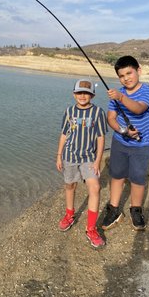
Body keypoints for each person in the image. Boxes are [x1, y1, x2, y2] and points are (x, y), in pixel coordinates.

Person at [101, 55, 149, 232]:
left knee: (138, 178)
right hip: (120, 142)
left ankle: (136, 209)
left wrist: (121, 98)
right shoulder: (116, 94)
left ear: (138, 71)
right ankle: (114, 209)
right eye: (122, 76)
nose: (126, 78)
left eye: (129, 73)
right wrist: (123, 130)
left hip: (142, 144)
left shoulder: (148, 90)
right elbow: (111, 118)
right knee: (116, 175)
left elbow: (139, 108)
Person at [56, 78, 108, 248]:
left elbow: (101, 137)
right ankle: (69, 215)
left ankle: (91, 228)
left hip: (89, 158)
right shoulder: (69, 111)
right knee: (70, 186)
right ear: (74, 94)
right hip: (69, 156)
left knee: (95, 188)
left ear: (92, 95)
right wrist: (58, 155)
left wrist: (98, 161)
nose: (82, 96)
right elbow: (64, 134)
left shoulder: (98, 112)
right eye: (79, 92)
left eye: (86, 93)